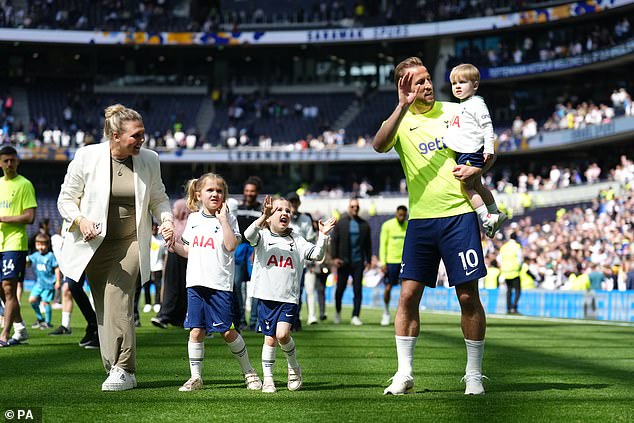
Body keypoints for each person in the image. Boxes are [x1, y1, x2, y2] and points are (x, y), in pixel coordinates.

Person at [373, 57, 489, 395]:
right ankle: (404, 373)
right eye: (417, 82)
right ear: (405, 87)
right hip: (421, 221)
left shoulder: (456, 112)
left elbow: (486, 149)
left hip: (459, 215)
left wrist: (478, 170)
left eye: (426, 79)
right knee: (408, 294)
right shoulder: (400, 121)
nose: (425, 85)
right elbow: (378, 145)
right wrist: (400, 106)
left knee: (468, 295)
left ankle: (473, 374)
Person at [57, 104, 174, 390]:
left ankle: (125, 366)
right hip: (94, 243)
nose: (142, 140)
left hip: (132, 240)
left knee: (119, 297)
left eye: (143, 134)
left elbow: (159, 198)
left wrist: (167, 220)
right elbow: (65, 200)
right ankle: (115, 368)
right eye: (136, 136)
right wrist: (81, 220)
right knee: (104, 307)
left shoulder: (150, 159)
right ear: (115, 136)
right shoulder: (87, 156)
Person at [171, 173, 262, 392]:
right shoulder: (193, 220)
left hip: (219, 285)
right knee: (196, 331)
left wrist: (223, 221)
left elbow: (231, 246)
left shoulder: (228, 218)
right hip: (195, 283)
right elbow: (188, 251)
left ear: (225, 196)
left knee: (227, 331)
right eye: (210, 190)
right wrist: (171, 242)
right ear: (199, 194)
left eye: (219, 191)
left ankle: (248, 371)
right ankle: (195, 377)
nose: (215, 194)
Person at [246, 195, 335, 393]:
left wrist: (323, 236)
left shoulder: (297, 239)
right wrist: (262, 217)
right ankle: (268, 379)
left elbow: (317, 255)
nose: (285, 213)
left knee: (283, 335)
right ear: (269, 216)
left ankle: (293, 367)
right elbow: (248, 234)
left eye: (288, 210)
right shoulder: (263, 236)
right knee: (269, 338)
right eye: (279, 210)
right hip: (266, 297)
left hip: (288, 298)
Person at [443, 63, 507, 238]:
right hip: (465, 151)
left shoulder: (477, 104)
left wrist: (488, 149)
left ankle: (485, 217)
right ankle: (495, 213)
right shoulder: (462, 105)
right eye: (454, 83)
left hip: (472, 152)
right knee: (477, 184)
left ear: (475, 85)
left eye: (462, 82)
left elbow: (487, 127)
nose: (457, 87)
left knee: (466, 186)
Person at [0, 144, 36, 348]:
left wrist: (4, 217)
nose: (9, 164)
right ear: (0, 163)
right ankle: (20, 327)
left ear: (18, 162)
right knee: (2, 290)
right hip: (0, 243)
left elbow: (30, 217)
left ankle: (5, 334)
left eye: (13, 160)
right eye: (5, 160)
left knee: (9, 289)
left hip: (15, 243)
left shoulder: (25, 185)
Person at [331, 198, 371, 326]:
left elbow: (368, 245)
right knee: (340, 290)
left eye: (357, 207)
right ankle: (337, 312)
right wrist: (334, 258)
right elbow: (334, 242)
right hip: (343, 262)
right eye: (352, 206)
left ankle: (355, 316)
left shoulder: (364, 225)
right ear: (349, 208)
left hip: (358, 262)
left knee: (357, 290)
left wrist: (368, 260)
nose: (355, 209)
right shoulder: (341, 223)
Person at [151, 199, 189, 329]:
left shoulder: (189, 223)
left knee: (182, 287)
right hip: (173, 255)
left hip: (184, 256)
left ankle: (177, 317)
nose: (173, 211)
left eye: (176, 208)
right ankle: (165, 315)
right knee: (171, 286)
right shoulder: (175, 223)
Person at [233, 176, 263, 330]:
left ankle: (254, 321)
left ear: (257, 192)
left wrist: (257, 249)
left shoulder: (261, 210)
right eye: (247, 190)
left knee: (257, 285)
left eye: (252, 191)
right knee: (236, 285)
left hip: (254, 249)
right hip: (239, 250)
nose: (249, 193)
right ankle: (240, 320)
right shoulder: (237, 208)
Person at [287, 191, 317, 327]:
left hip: (301, 262)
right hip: (284, 261)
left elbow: (311, 239)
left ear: (299, 203)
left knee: (298, 291)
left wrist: (310, 262)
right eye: (291, 202)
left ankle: (295, 319)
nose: (293, 205)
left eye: (295, 202)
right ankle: (287, 319)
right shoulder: (282, 216)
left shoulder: (305, 219)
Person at [379, 205, 408, 326]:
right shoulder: (387, 225)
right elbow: (383, 244)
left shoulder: (409, 225)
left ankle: (404, 314)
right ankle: (386, 312)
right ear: (396, 213)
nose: (401, 217)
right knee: (388, 287)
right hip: (391, 262)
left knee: (406, 290)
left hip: (405, 262)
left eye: (403, 215)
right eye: (399, 214)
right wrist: (383, 262)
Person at [27, 233, 61, 329]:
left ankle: (47, 322)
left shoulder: (50, 256)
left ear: (47, 245)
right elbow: (27, 261)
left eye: (43, 245)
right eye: (38, 244)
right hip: (39, 284)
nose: (40, 247)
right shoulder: (36, 255)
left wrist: (58, 281)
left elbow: (56, 268)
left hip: (49, 284)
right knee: (32, 300)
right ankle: (40, 319)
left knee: (45, 302)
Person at [499, 232, 523, 314]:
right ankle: (514, 307)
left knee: (508, 290)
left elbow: (499, 259)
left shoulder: (504, 247)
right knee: (517, 290)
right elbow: (520, 259)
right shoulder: (517, 246)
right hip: (515, 271)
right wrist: (519, 267)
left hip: (505, 271)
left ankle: (508, 308)